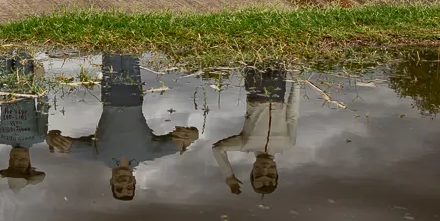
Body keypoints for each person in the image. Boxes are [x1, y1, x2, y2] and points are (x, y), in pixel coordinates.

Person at [47, 54, 198, 200]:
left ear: (111, 182)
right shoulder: (148, 153)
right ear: (134, 182)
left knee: (111, 54)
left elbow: (68, 146)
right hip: (133, 96)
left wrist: (55, 140)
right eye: (129, 187)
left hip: (110, 96)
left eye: (119, 188)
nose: (124, 184)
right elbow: (181, 143)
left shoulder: (99, 156)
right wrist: (193, 135)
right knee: (129, 54)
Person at [211, 66, 300, 195]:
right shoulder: (288, 143)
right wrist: (296, 82)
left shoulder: (245, 144)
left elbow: (217, 149)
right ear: (277, 173)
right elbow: (292, 115)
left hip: (256, 91)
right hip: (278, 92)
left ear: (252, 171)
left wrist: (229, 176)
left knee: (254, 56)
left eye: (258, 174)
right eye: (270, 174)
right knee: (280, 54)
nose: (264, 169)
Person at [0, 55, 48, 188]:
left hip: (4, 87)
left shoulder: (2, 137)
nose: (17, 160)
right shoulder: (39, 136)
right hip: (25, 85)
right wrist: (40, 78)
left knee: (2, 54)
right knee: (22, 54)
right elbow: (43, 106)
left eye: (12, 164)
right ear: (30, 163)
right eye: (22, 165)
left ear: (8, 162)